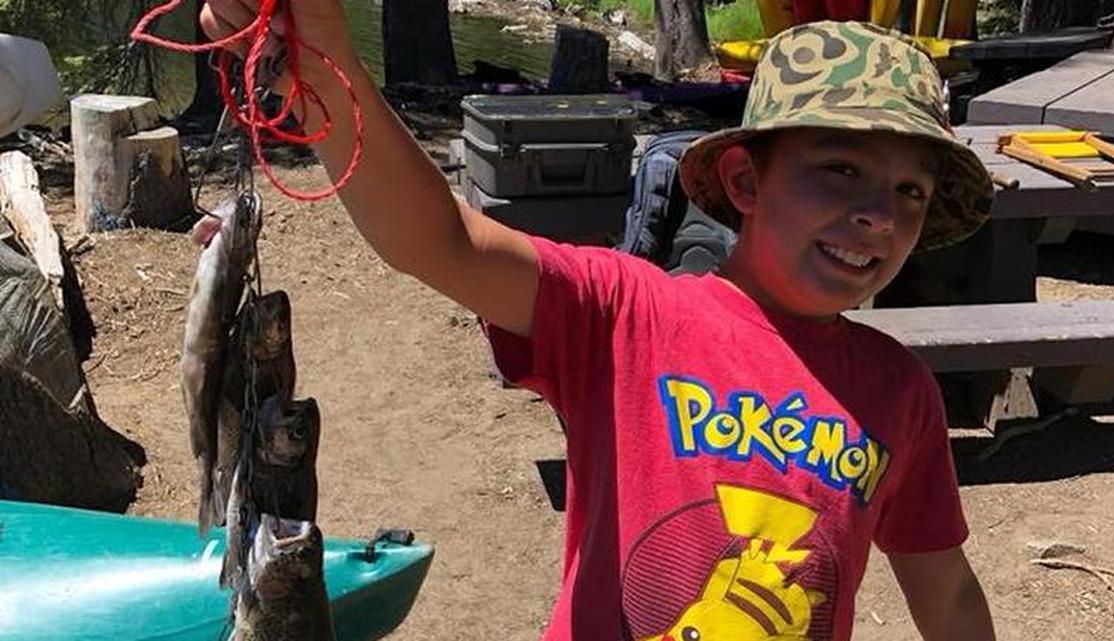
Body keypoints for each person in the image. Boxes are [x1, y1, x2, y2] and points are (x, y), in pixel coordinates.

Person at [199, 3, 996, 639]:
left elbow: (949, 590)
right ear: (746, 181)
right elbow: (441, 241)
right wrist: (329, 65)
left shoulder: (899, 391)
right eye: (842, 169)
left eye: (909, 193)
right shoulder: (628, 313)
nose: (876, 216)